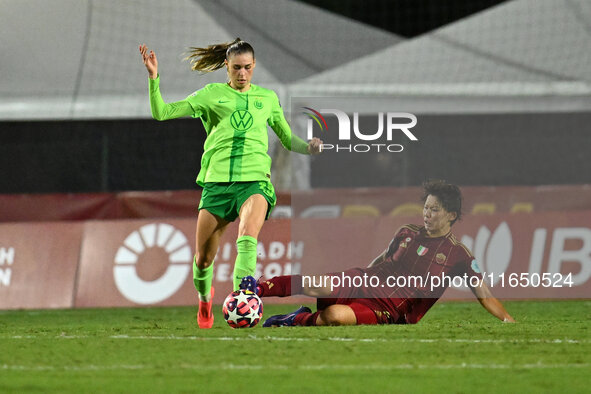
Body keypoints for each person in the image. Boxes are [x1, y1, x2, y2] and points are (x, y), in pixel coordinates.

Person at [139, 39, 322, 328]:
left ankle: (243, 297)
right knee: (202, 260)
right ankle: (204, 301)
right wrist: (153, 79)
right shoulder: (211, 95)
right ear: (226, 66)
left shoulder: (267, 98)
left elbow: (287, 139)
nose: (242, 73)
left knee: (247, 237)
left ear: (254, 66)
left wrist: (308, 147)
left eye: (248, 67)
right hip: (217, 186)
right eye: (236, 67)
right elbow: (162, 112)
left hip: (254, 182)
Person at [240, 180, 515, 326]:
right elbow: (381, 261)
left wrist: (508, 319)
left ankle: (295, 319)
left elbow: (485, 295)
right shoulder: (407, 232)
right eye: (426, 208)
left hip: (388, 308)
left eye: (435, 210)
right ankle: (255, 288)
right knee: (316, 284)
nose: (427, 214)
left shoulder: (458, 255)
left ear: (452, 215)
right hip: (366, 280)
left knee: (334, 317)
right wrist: (355, 280)